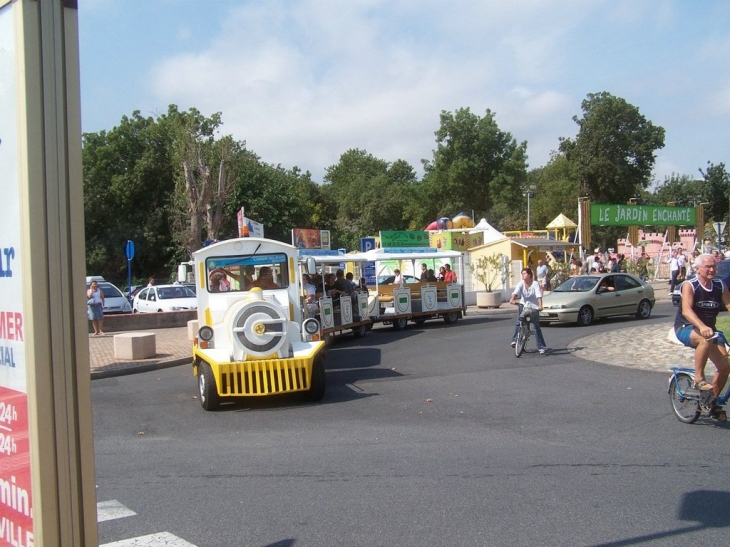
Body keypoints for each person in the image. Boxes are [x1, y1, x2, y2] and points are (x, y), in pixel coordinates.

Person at [674, 253, 730, 402]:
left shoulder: (720, 286)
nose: (712, 269)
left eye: (714, 266)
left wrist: (707, 328)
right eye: (708, 267)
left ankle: (711, 403)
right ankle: (698, 378)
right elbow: (686, 310)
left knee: (725, 367)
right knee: (705, 339)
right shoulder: (690, 285)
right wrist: (702, 326)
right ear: (698, 269)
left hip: (710, 331)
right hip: (686, 328)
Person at [509, 268, 547, 354]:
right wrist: (512, 299)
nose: (523, 275)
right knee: (519, 322)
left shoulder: (535, 284)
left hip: (534, 307)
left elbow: (538, 295)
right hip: (523, 305)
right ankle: (515, 340)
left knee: (536, 327)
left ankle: (540, 346)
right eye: (522, 274)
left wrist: (540, 305)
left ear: (530, 275)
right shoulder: (521, 284)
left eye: (525, 273)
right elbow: (515, 292)